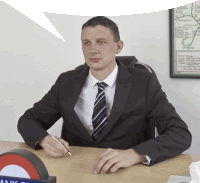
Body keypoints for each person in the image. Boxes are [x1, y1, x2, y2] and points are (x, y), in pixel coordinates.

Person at [18, 16, 192, 174]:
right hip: (77, 170)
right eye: (87, 43)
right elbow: (28, 120)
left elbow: (179, 134)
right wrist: (43, 139)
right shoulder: (67, 81)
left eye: (101, 42)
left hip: (126, 173)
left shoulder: (144, 82)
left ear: (119, 46)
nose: (92, 50)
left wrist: (135, 154)